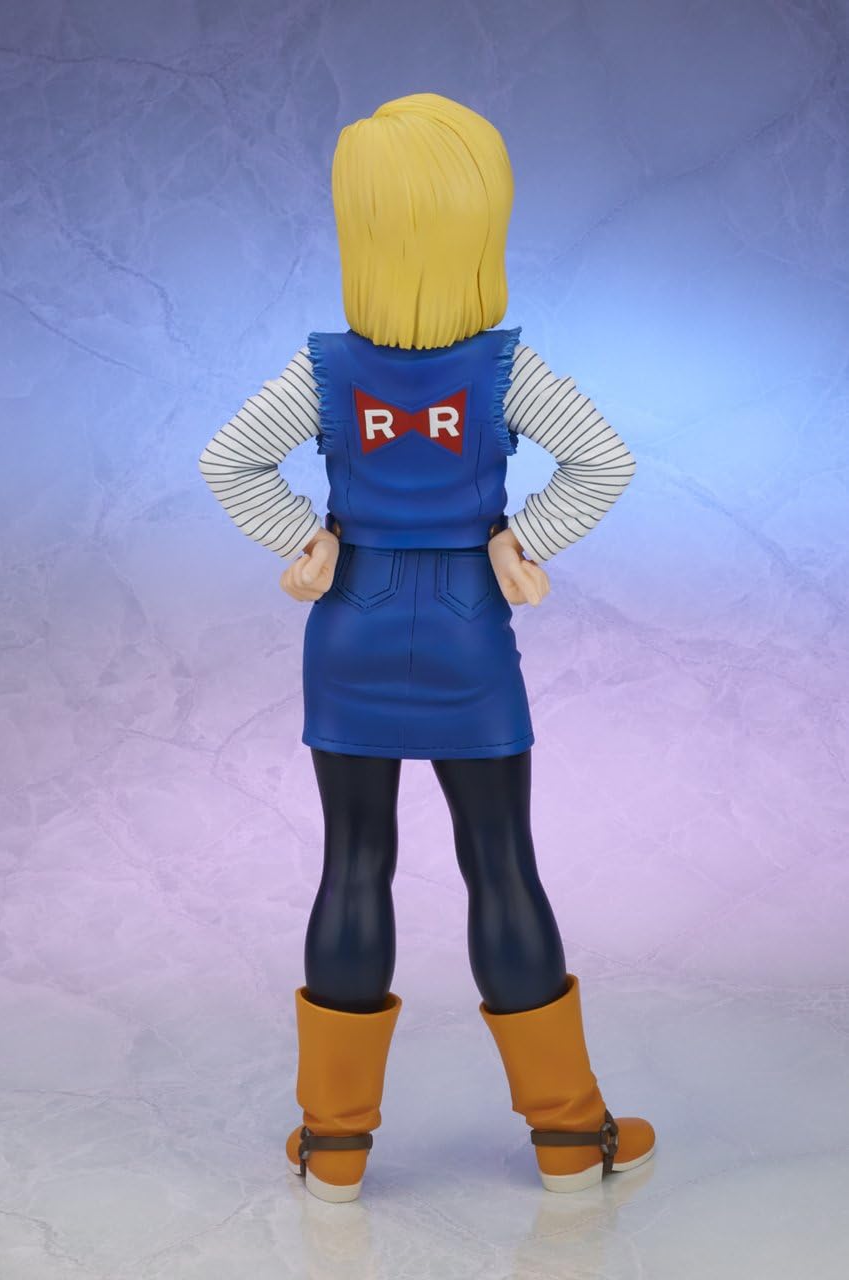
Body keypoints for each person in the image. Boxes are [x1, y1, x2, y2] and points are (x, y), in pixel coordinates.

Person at [198, 92, 655, 1203]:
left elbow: (226, 461)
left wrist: (304, 539)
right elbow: (604, 460)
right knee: (500, 861)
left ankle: (334, 1144)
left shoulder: (322, 372)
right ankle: (567, 1134)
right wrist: (521, 540)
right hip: (466, 631)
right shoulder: (506, 373)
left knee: (353, 861)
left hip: (350, 622)